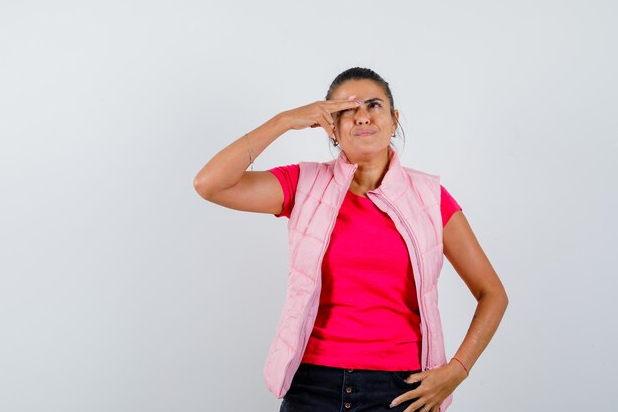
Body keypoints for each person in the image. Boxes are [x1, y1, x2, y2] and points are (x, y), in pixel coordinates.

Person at [193, 67, 508, 412]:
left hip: (401, 390)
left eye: (374, 106)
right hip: (312, 385)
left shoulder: (430, 197)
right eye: (347, 110)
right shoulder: (303, 183)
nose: (362, 117)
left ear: (393, 120)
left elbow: (492, 293)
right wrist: (284, 120)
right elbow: (210, 184)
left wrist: (456, 371)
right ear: (331, 126)